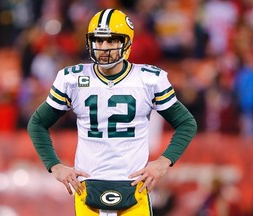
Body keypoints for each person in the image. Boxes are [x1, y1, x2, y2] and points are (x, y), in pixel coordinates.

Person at [27, 9, 197, 216]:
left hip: (135, 185)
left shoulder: (149, 79)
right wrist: (54, 166)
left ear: (127, 43)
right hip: (87, 186)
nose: (104, 47)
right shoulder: (72, 78)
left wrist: (163, 162)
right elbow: (37, 123)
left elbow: (186, 123)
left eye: (111, 41)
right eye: (98, 41)